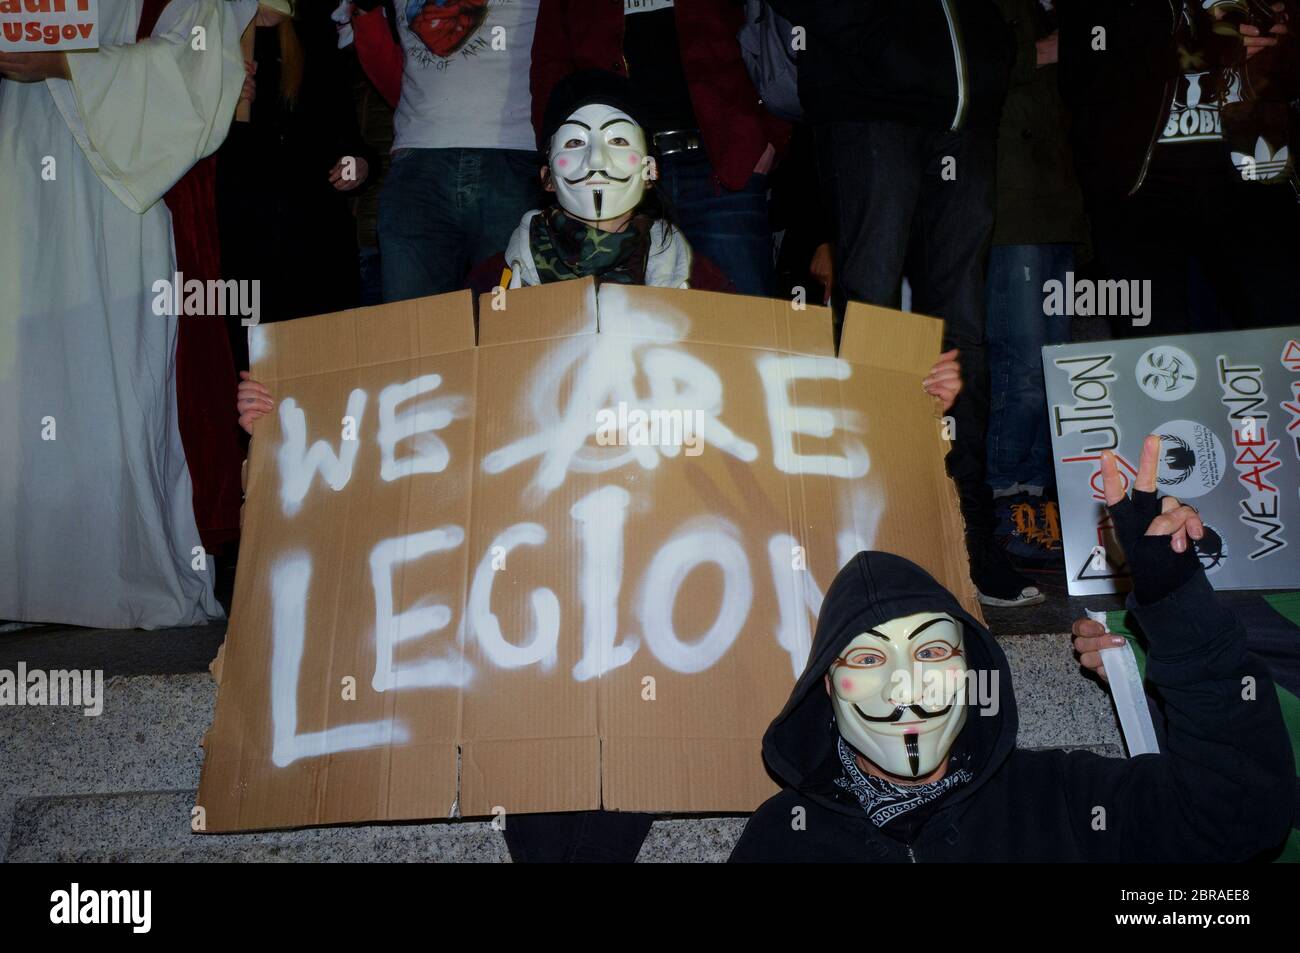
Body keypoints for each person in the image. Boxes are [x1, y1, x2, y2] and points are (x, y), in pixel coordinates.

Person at [237, 69, 965, 861]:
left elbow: (794, 394)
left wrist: (906, 391)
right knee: (541, 791)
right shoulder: (489, 288)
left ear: (651, 166)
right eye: (574, 143)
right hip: (523, 610)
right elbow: (408, 415)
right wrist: (288, 412)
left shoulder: (709, 288)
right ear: (545, 169)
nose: (596, 161)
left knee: (618, 783)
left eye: (619, 139)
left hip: (662, 605)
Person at [730, 434, 1294, 861]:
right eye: (870, 659)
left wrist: (1177, 602)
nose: (905, 683)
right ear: (827, 685)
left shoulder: (1063, 800)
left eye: (930, 653)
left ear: (973, 671)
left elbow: (1236, 822)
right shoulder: (784, 839)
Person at [770, 0, 1040, 608]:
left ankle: (968, 533)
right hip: (868, 100)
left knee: (960, 327)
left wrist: (991, 46)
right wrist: (868, 34)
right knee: (875, 320)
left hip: (965, 104)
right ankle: (877, 531)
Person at [0, 0, 258, 629]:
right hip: (17, 177)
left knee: (106, 375)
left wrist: (63, 62)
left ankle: (113, 576)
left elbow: (199, 65)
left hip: (117, 199)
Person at [1060, 0, 1300, 335]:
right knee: (1154, 344)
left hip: (1249, 170)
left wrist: (1284, 38)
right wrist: (1203, 46)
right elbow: (1084, 66)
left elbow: (1287, 78)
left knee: (1282, 327)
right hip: (1139, 182)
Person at [529, 0, 790, 297]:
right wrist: (559, 156)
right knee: (615, 321)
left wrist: (768, 137)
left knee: (744, 323)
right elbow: (550, 64)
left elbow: (770, 25)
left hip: (722, 163)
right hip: (613, 173)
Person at [342, 0, 547, 302]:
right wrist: (366, 15)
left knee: (513, 328)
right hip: (418, 157)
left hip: (514, 154)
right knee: (413, 333)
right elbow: (397, 79)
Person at [985, 0, 1087, 567]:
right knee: (1021, 364)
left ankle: (1044, 496)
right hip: (1012, 205)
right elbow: (958, 71)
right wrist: (1041, 52)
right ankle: (1007, 497)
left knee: (1057, 364)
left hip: (1060, 207)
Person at [217, 0, 379, 331]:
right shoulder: (213, 38)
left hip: (316, 245)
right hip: (244, 243)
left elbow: (351, 143)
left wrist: (359, 166)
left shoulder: (314, 41)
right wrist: (220, 103)